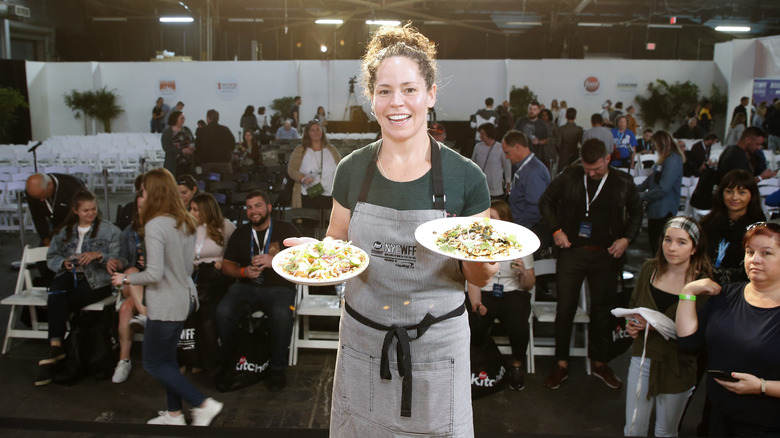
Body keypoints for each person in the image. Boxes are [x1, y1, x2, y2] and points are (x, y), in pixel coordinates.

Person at [300, 23, 494, 436]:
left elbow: (477, 274)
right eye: (384, 90)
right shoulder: (353, 169)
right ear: (372, 100)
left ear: (431, 94)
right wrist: (314, 255)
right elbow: (337, 240)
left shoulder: (465, 178)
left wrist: (484, 263)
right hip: (363, 340)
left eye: (409, 89)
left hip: (436, 347)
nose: (397, 102)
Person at [110, 168, 223, 426]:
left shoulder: (155, 225)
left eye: (145, 190)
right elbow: (185, 267)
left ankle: (203, 404)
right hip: (183, 298)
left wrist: (125, 279)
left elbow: (153, 273)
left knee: (152, 362)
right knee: (168, 360)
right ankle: (174, 414)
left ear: (154, 192)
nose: (142, 195)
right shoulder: (184, 220)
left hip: (165, 304)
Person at [538, 138, 643, 390]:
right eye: (587, 170)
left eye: (596, 169)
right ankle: (561, 363)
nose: (592, 174)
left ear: (608, 159)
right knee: (565, 309)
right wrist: (556, 230)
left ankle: (599, 362)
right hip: (571, 252)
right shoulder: (570, 175)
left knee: (602, 309)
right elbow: (546, 201)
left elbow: (638, 212)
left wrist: (626, 239)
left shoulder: (622, 182)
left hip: (606, 254)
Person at [676, 222, 780, 437]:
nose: (755, 260)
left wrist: (762, 386)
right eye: (750, 252)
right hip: (718, 417)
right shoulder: (726, 295)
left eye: (766, 253)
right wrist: (687, 293)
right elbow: (688, 343)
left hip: (766, 425)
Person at [623, 216, 711, 437]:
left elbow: (698, 335)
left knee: (666, 431)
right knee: (634, 427)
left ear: (694, 248)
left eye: (682, 242)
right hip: (643, 356)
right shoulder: (649, 269)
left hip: (678, 366)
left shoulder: (702, 284)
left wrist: (656, 327)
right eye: (668, 240)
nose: (672, 248)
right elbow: (635, 305)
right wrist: (631, 324)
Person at [216, 190, 300, 391]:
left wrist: (276, 261)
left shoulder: (285, 229)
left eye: (258, 205)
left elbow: (303, 261)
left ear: (269, 208)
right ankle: (233, 360)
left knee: (282, 315)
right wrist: (244, 271)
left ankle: (277, 369)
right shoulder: (241, 233)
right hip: (246, 286)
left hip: (279, 287)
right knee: (222, 312)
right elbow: (227, 265)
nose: (253, 211)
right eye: (249, 207)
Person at [35, 190, 121, 386]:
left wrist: (98, 255)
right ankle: (57, 346)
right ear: (75, 211)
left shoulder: (110, 230)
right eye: (85, 211)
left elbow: (118, 260)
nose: (91, 213)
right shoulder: (64, 231)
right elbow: (52, 257)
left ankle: (58, 349)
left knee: (60, 298)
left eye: (93, 209)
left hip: (97, 279)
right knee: (56, 291)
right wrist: (63, 262)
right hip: (70, 274)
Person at [467, 200, 535, 391]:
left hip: (512, 292)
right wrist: (476, 302)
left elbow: (529, 285)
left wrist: (524, 272)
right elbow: (471, 279)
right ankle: (476, 363)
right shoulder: (478, 241)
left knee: (519, 325)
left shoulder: (519, 242)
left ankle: (516, 365)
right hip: (485, 291)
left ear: (505, 221)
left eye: (493, 218)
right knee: (473, 319)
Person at [190, 193, 235, 370]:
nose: (191, 213)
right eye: (191, 209)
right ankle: (198, 357)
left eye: (195, 210)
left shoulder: (226, 226)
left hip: (217, 274)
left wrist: (224, 260)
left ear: (207, 211)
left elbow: (237, 252)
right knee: (201, 307)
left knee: (204, 304)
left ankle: (208, 359)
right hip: (195, 274)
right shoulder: (188, 227)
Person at [107, 191, 147, 384]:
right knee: (130, 270)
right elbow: (124, 259)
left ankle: (124, 359)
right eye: (140, 208)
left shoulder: (165, 229)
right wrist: (116, 261)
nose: (143, 211)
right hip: (132, 284)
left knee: (124, 309)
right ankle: (145, 315)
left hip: (155, 284)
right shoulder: (129, 232)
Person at [701, 169, 766, 285]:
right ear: (722, 193)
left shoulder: (758, 230)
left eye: (742, 192)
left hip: (740, 288)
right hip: (702, 283)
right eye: (729, 191)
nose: (734, 197)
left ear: (751, 195)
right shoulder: (707, 223)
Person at [636, 131, 685, 255]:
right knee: (654, 244)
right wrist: (637, 189)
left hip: (664, 209)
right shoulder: (664, 159)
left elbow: (664, 188)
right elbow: (652, 179)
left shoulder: (672, 159)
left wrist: (643, 196)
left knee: (659, 246)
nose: (654, 148)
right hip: (656, 208)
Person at [502, 130, 551, 246]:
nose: (506, 157)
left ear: (518, 148)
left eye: (508, 153)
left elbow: (536, 208)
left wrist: (519, 230)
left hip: (527, 230)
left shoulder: (533, 172)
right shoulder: (524, 167)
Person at [287, 119, 341, 209]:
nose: (316, 132)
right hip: (308, 194)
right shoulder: (300, 150)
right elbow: (291, 169)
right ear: (307, 133)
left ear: (322, 131)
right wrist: (302, 178)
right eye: (312, 130)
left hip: (330, 194)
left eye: (318, 129)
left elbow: (341, 168)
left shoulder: (332, 149)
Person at [26, 173, 87, 247]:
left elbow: (88, 212)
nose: (41, 200)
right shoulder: (32, 192)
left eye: (43, 195)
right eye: (37, 198)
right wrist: (46, 241)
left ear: (50, 185)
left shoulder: (73, 185)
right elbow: (38, 218)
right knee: (43, 255)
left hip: (77, 225)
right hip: (55, 228)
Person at [471, 123, 511, 200]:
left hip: (496, 189)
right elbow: (473, 164)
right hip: (480, 188)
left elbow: (507, 168)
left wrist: (508, 185)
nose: (480, 136)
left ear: (489, 134)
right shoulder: (478, 147)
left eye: (482, 134)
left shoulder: (500, 148)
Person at [195, 109, 235, 176]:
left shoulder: (202, 131)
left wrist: (201, 158)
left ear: (207, 118)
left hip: (207, 163)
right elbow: (232, 145)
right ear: (218, 119)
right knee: (226, 184)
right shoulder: (225, 129)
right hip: (224, 162)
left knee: (209, 184)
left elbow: (197, 146)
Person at [161, 110, 195, 177]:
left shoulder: (186, 130)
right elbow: (166, 147)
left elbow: (192, 140)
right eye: (181, 118)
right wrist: (181, 150)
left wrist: (191, 147)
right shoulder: (168, 132)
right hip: (174, 164)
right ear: (175, 119)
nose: (183, 120)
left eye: (184, 118)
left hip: (188, 163)